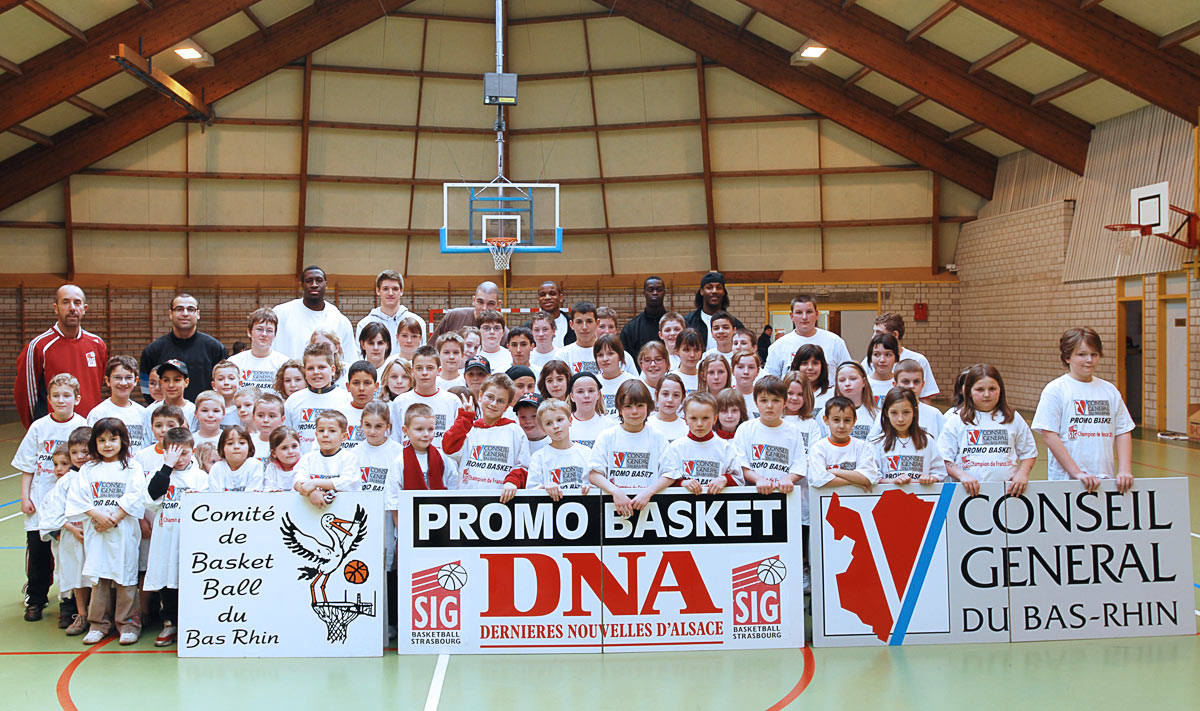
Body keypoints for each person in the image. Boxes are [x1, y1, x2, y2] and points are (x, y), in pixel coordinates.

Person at [13, 372, 86, 622]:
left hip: (71, 504)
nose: (61, 400)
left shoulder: (82, 425)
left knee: (69, 556)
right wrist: (25, 497)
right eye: (56, 396)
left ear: (77, 398)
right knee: (39, 554)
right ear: (49, 399)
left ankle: (70, 602)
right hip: (41, 500)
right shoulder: (39, 427)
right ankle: (36, 598)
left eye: (66, 395)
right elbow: (27, 466)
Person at [67, 419, 146, 646]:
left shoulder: (132, 467)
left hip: (123, 532)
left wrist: (114, 519)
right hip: (97, 532)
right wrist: (97, 516)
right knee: (99, 576)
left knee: (125, 577)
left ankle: (128, 624)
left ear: (123, 440)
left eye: (113, 439)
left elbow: (136, 495)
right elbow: (77, 498)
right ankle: (98, 624)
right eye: (102, 440)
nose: (107, 445)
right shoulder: (88, 469)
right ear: (95, 443)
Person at [1032, 327, 1135, 493]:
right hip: (1066, 482)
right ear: (1067, 357)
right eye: (1082, 354)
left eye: (1094, 354)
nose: (1089, 360)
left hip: (1104, 480)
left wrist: (1124, 470)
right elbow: (1049, 435)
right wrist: (1077, 473)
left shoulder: (1109, 390)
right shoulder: (1056, 390)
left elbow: (1123, 430)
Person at [142, 427, 208, 646]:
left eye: (184, 453)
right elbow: (151, 498)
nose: (179, 459)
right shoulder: (158, 473)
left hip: (191, 539)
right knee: (167, 579)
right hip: (165, 537)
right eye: (174, 454)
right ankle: (170, 623)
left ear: (193, 451)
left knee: (188, 580)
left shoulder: (200, 477)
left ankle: (191, 624)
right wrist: (167, 467)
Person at [16, 284, 107, 429]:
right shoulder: (39, 347)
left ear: (84, 309)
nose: (72, 308)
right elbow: (26, 396)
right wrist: (37, 429)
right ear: (55, 308)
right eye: (65, 302)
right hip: (54, 431)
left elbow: (97, 385)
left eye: (77, 302)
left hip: (89, 428)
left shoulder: (98, 344)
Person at [938, 364, 1037, 497]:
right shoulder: (956, 420)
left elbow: (1028, 452)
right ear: (968, 392)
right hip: (965, 493)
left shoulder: (1012, 418)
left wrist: (1022, 474)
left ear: (1000, 389)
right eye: (979, 389)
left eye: (992, 389)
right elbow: (944, 458)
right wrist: (962, 476)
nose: (986, 394)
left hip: (1007, 492)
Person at [586, 381, 670, 514]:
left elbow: (670, 474)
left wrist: (648, 492)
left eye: (640, 405)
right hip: (614, 509)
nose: (634, 411)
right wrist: (615, 491)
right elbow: (594, 474)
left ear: (648, 407)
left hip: (651, 508)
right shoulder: (607, 436)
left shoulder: (657, 437)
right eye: (628, 406)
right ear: (620, 409)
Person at [442, 374, 530, 499]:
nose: (493, 404)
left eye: (500, 401)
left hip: (503, 499)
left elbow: (523, 466)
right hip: (468, 498)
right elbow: (448, 448)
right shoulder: (469, 429)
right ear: (480, 395)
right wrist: (465, 418)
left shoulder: (515, 431)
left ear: (507, 406)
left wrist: (512, 481)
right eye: (490, 397)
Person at [139, 294, 227, 401]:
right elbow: (146, 389)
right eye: (179, 309)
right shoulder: (153, 351)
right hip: (166, 411)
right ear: (170, 314)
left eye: (190, 309)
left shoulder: (216, 349)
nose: (185, 313)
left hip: (205, 411)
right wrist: (163, 410)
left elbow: (225, 386)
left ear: (198, 314)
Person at [661, 391, 745, 495]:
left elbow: (739, 480)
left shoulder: (725, 448)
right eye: (693, 418)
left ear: (715, 419)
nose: (699, 424)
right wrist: (682, 483)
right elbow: (664, 480)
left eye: (705, 418)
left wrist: (724, 480)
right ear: (685, 419)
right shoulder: (675, 448)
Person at [272, 266, 359, 363]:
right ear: (302, 285)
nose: (314, 285)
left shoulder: (339, 320)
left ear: (326, 285)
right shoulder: (281, 313)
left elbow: (350, 360)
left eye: (319, 280)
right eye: (309, 281)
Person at [283, 342, 354, 454]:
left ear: (332, 370)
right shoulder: (293, 400)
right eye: (311, 368)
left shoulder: (346, 399)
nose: (316, 372)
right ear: (305, 372)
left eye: (321, 367)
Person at [765, 294, 851, 378]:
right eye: (799, 312)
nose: (804, 317)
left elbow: (848, 374)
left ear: (816, 315)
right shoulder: (778, 347)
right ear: (791, 316)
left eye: (809, 312)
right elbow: (770, 382)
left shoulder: (835, 342)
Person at [390, 346, 461, 449]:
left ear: (439, 370)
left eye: (430, 368)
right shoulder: (400, 402)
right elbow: (396, 441)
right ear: (412, 371)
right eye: (419, 368)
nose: (424, 373)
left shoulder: (453, 401)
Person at [873, 388, 946, 484]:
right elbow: (872, 476)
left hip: (920, 493)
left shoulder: (927, 441)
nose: (900, 419)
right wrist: (891, 481)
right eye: (894, 413)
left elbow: (939, 472)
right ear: (886, 413)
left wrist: (931, 478)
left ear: (914, 412)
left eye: (906, 412)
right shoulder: (876, 443)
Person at [806, 396, 880, 491]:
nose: (842, 426)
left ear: (854, 421)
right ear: (826, 420)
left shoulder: (861, 446)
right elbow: (819, 479)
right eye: (836, 420)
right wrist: (855, 481)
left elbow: (870, 477)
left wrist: (836, 472)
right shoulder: (819, 448)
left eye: (847, 420)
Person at [528, 398, 593, 497]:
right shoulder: (538, 457)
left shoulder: (586, 453)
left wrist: (590, 488)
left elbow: (597, 485)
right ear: (543, 429)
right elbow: (530, 491)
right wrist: (545, 487)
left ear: (570, 420)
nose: (555, 426)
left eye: (559, 420)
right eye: (549, 423)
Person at [293, 411, 360, 506]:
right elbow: (298, 481)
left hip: (346, 508)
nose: (325, 435)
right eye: (321, 430)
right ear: (316, 434)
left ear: (344, 436)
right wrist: (312, 492)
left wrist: (315, 483)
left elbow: (347, 482)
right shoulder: (307, 458)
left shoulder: (349, 458)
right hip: (311, 510)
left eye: (332, 431)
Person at [867, 360, 944, 443]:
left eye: (916, 382)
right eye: (905, 382)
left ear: (923, 384)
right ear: (895, 385)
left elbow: (944, 445)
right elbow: (872, 442)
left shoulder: (934, 414)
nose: (911, 386)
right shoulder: (887, 413)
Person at [867, 313, 939, 399]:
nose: (873, 337)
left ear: (895, 334)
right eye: (877, 354)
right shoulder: (869, 361)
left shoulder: (918, 360)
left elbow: (925, 397)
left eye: (879, 333)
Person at [356, 270, 427, 352]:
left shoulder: (417, 321)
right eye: (385, 289)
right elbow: (360, 356)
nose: (390, 293)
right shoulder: (365, 324)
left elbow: (422, 355)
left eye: (395, 289)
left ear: (401, 291)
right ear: (378, 291)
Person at [87, 356, 148, 451]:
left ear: (136, 381)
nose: (123, 383)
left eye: (128, 378)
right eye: (117, 378)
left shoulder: (143, 413)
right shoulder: (98, 414)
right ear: (107, 381)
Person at [228, 308, 289, 395]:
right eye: (259, 329)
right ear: (249, 332)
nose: (264, 334)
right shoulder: (234, 362)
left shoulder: (284, 363)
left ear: (275, 335)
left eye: (269, 330)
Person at [684, 271, 745, 350]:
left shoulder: (735, 324)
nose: (714, 291)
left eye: (719, 288)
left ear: (723, 292)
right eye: (709, 287)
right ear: (702, 291)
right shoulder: (688, 322)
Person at [619, 276, 668, 365]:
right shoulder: (630, 329)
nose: (655, 293)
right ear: (644, 293)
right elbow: (625, 359)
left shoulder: (674, 326)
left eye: (659, 289)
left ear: (664, 292)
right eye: (651, 289)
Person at [430, 281, 502, 340]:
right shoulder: (454, 316)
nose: (484, 308)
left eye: (491, 304)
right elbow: (431, 348)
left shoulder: (500, 330)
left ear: (498, 304)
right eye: (480, 302)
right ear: (473, 300)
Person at [207, 425, 263, 492]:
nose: (236, 447)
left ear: (249, 446)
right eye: (230, 443)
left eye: (242, 443)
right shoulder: (217, 468)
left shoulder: (255, 465)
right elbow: (214, 496)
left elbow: (253, 495)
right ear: (222, 448)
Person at [565, 372, 613, 448]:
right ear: (572, 396)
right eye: (580, 392)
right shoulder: (564, 426)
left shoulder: (609, 426)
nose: (586, 396)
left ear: (598, 394)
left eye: (591, 391)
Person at [552, 302, 601, 375]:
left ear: (597, 323)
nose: (584, 327)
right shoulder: (562, 355)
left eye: (589, 321)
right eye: (579, 322)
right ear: (571, 325)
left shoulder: (609, 353)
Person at [526, 280, 575, 349]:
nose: (547, 297)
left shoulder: (574, 326)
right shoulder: (526, 328)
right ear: (538, 299)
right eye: (543, 294)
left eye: (552, 293)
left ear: (561, 298)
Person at [343, 361, 379, 449]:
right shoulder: (339, 414)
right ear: (348, 386)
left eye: (367, 383)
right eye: (356, 383)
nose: (361, 388)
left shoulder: (385, 413)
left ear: (376, 386)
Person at [595, 335, 636, 412]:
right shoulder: (593, 383)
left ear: (620, 356)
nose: (605, 359)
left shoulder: (634, 382)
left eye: (610, 354)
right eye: (600, 355)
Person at [647, 373, 688, 441]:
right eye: (665, 394)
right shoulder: (646, 425)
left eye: (676, 395)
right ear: (656, 395)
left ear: (682, 398)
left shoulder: (687, 427)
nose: (670, 400)